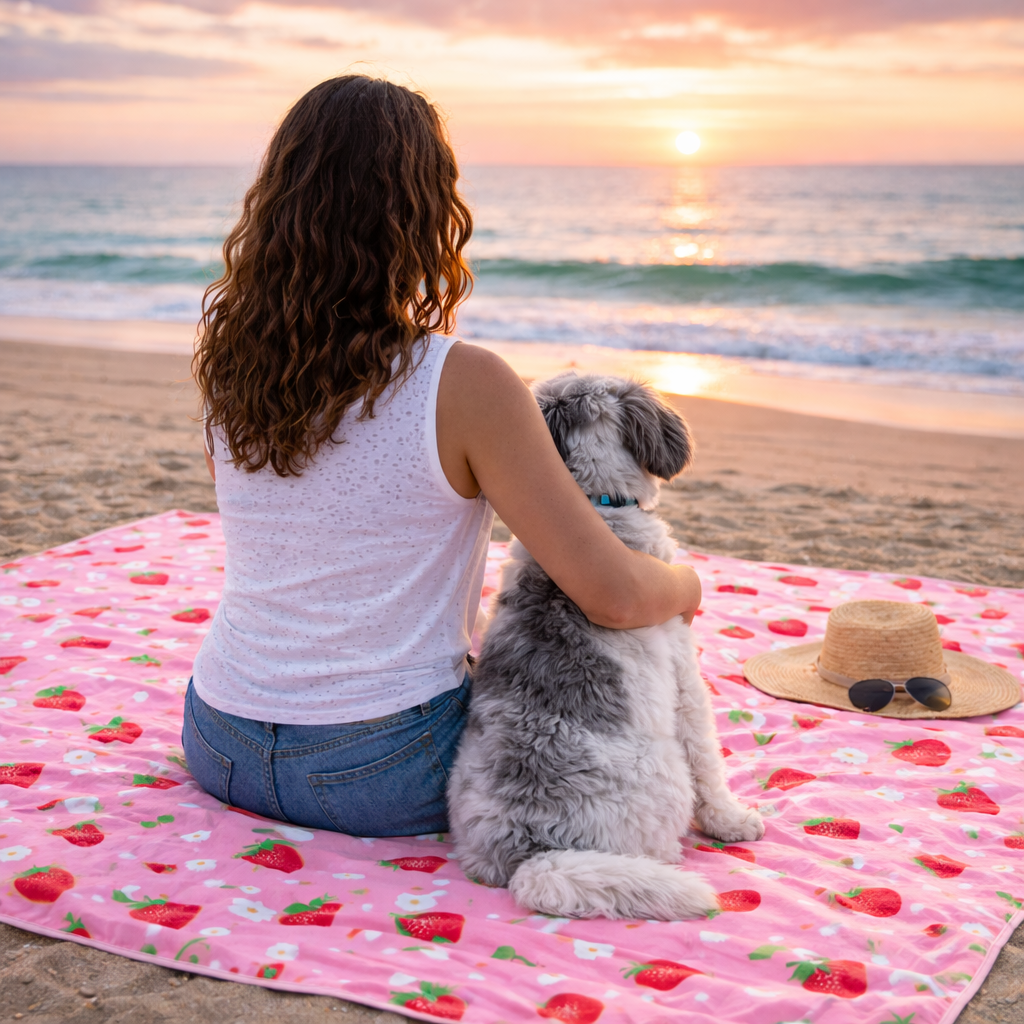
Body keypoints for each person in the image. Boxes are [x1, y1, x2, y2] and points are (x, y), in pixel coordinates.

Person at [183, 75, 702, 837]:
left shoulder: (231, 366)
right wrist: (686, 583)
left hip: (219, 738)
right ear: (425, 213)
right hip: (381, 768)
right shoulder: (464, 381)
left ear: (280, 198)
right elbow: (614, 596)